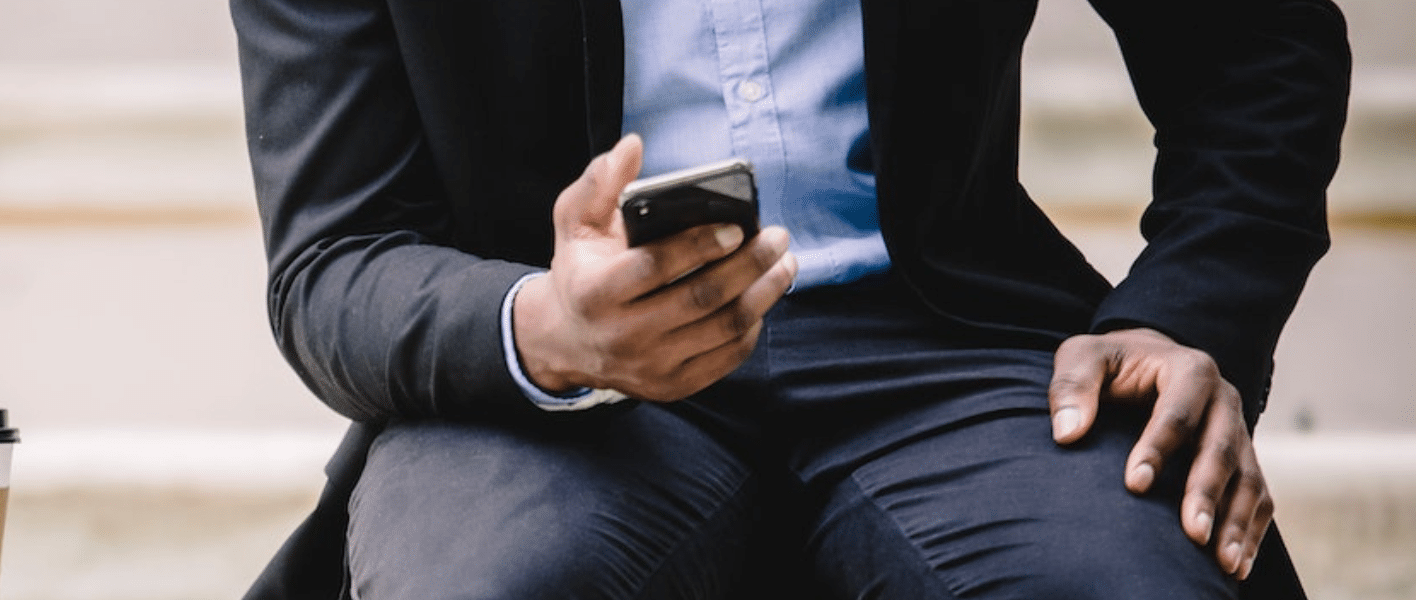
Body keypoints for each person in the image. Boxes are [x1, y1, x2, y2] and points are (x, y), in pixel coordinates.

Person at [229, 0, 1350, 597]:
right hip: (552, 387)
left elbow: (1257, 48)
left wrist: (1191, 312)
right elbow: (337, 257)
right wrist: (552, 329)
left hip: (946, 349)